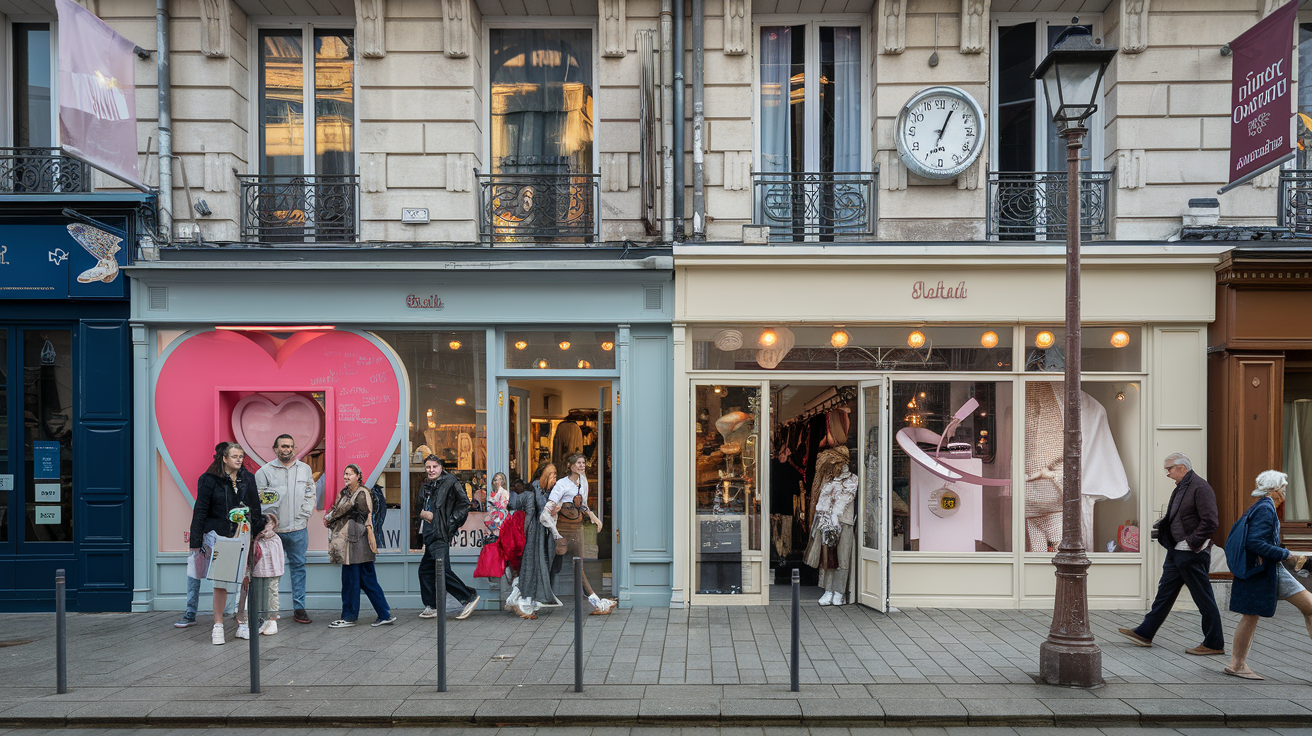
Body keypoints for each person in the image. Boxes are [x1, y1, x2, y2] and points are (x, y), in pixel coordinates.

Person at [1118, 452, 1225, 655]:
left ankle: (1214, 643)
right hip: (1176, 551)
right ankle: (1145, 633)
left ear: (1182, 468)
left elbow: (1210, 521)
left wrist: (1190, 543)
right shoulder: (1183, 487)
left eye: (1169, 469)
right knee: (1164, 593)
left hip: (1191, 553)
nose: (1167, 473)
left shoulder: (1200, 487)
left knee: (1203, 598)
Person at [1225, 470, 1312, 680]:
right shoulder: (1266, 509)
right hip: (1269, 571)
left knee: (1250, 615)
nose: (1284, 492)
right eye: (1283, 488)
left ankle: (1237, 664)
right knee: (1310, 608)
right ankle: (1237, 664)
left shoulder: (1258, 507)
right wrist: (1286, 554)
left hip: (1262, 570)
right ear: (1274, 490)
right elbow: (1255, 542)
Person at [189, 442, 268, 645]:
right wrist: (196, 541)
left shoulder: (247, 478)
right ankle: (218, 626)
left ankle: (241, 622)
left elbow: (256, 508)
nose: (239, 459)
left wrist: (257, 530)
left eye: (241, 456)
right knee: (221, 581)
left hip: (244, 534)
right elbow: (200, 510)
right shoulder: (209, 480)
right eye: (234, 456)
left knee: (244, 580)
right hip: (220, 535)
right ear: (224, 458)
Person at [255, 433, 316, 625]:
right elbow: (261, 501)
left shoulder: (305, 469)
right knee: (270, 572)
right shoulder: (264, 472)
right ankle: (270, 611)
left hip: (298, 530)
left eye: (290, 446)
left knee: (298, 568)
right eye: (283, 446)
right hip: (274, 533)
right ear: (275, 449)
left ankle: (299, 608)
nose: (287, 450)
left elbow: (310, 495)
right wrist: (271, 523)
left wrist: (303, 517)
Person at [324, 464, 395, 628]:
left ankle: (349, 617)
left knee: (350, 581)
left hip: (356, 543)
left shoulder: (362, 493)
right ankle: (384, 614)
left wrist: (330, 517)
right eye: (345, 474)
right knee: (367, 580)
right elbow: (339, 508)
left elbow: (344, 509)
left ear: (358, 476)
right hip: (354, 543)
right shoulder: (345, 492)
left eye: (349, 474)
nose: (346, 477)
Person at [549, 453, 615, 615]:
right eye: (579, 463)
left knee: (577, 565)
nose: (582, 465)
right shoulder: (561, 484)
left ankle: (594, 601)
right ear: (571, 466)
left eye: (583, 463)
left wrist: (594, 518)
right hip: (563, 529)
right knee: (554, 564)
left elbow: (583, 505)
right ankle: (541, 596)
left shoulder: (583, 482)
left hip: (577, 528)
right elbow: (551, 505)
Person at [417, 455, 480, 620]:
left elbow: (464, 504)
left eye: (434, 467)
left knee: (441, 571)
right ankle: (432, 606)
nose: (431, 470)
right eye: (428, 467)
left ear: (440, 467)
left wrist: (449, 523)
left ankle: (467, 597)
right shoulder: (427, 484)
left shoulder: (450, 481)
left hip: (440, 532)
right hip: (430, 533)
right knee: (425, 570)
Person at [502, 462, 562, 619]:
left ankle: (522, 599)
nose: (554, 478)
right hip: (535, 533)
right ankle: (524, 600)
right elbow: (541, 508)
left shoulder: (546, 490)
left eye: (556, 474)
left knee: (539, 565)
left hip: (543, 533)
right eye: (552, 475)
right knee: (532, 564)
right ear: (544, 475)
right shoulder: (535, 488)